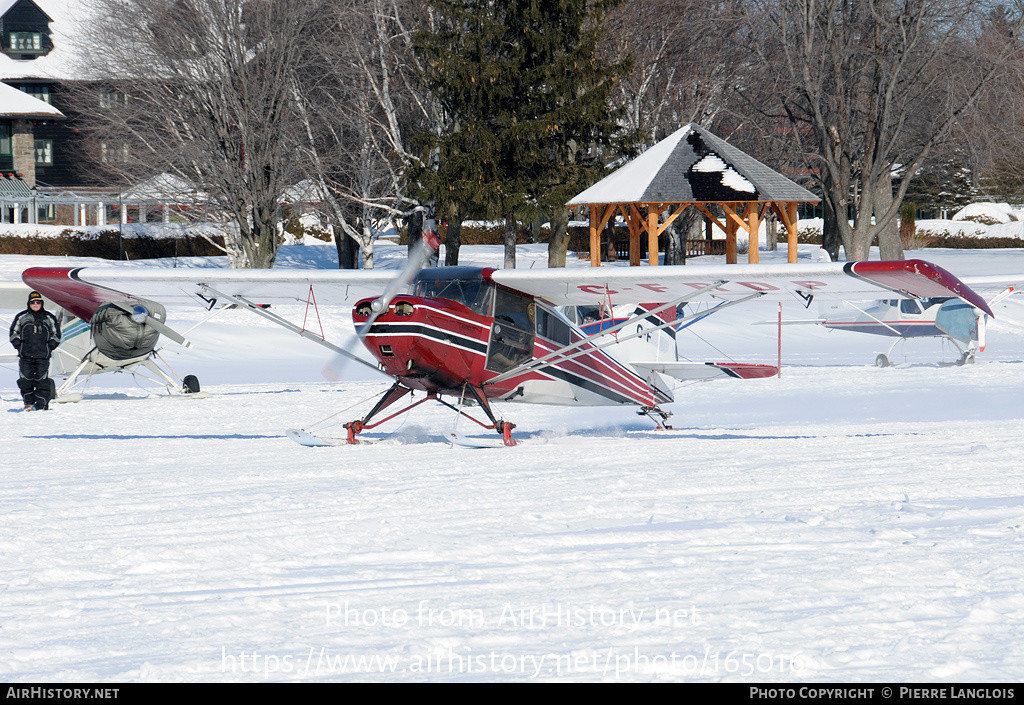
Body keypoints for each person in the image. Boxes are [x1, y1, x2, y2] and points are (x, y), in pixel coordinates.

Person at [9, 291, 61, 411]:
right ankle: (28, 403)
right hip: (25, 356)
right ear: (29, 304)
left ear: (42, 304)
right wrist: (19, 346)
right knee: (25, 380)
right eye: (33, 302)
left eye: (38, 302)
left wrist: (50, 347)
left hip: (42, 356)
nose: (36, 304)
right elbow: (13, 333)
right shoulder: (21, 317)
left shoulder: (49, 318)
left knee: (42, 381)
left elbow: (56, 335)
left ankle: (42, 405)